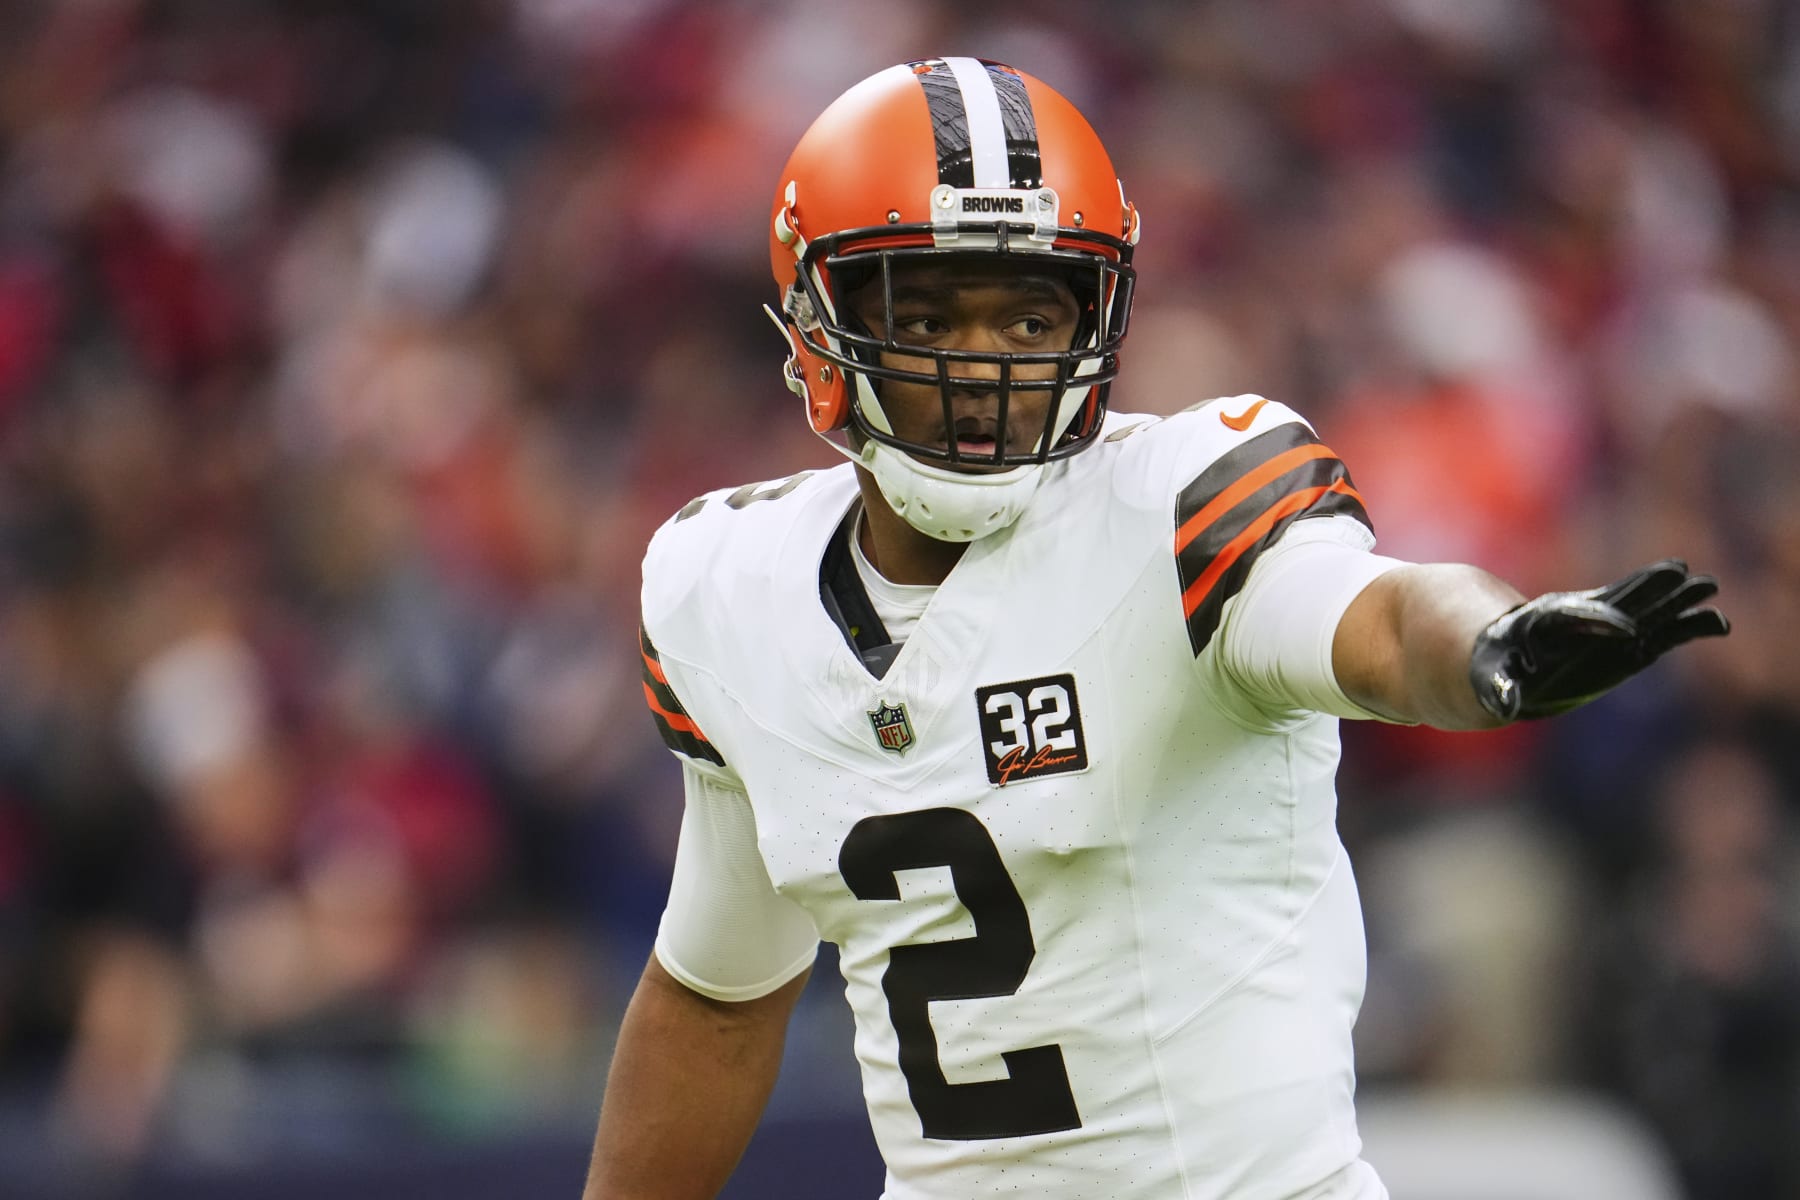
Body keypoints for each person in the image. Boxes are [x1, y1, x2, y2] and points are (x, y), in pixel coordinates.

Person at [582, 58, 1728, 1200]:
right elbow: (717, 995)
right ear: (816, 322)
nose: (984, 365)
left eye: (1031, 314)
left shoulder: (1181, 507)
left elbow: (1374, 615)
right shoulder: (729, 587)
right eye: (926, 312)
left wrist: (1489, 648)